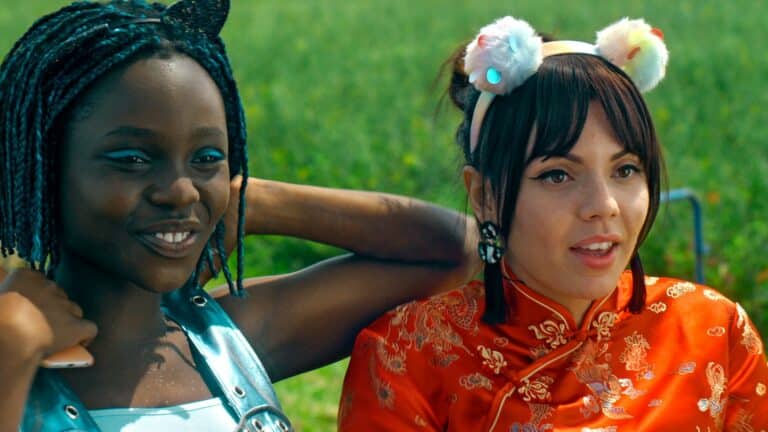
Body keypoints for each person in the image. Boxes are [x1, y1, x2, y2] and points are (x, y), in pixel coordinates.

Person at [0, 0, 479, 430]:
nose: (181, 191)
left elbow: (455, 251)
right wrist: (13, 349)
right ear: (38, 166)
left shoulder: (228, 340)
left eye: (207, 157)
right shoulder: (12, 351)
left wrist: (251, 202)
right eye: (133, 159)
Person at [339, 16, 768, 430]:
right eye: (558, 175)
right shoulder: (407, 355)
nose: (603, 206)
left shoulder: (713, 328)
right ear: (486, 197)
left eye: (625, 170)